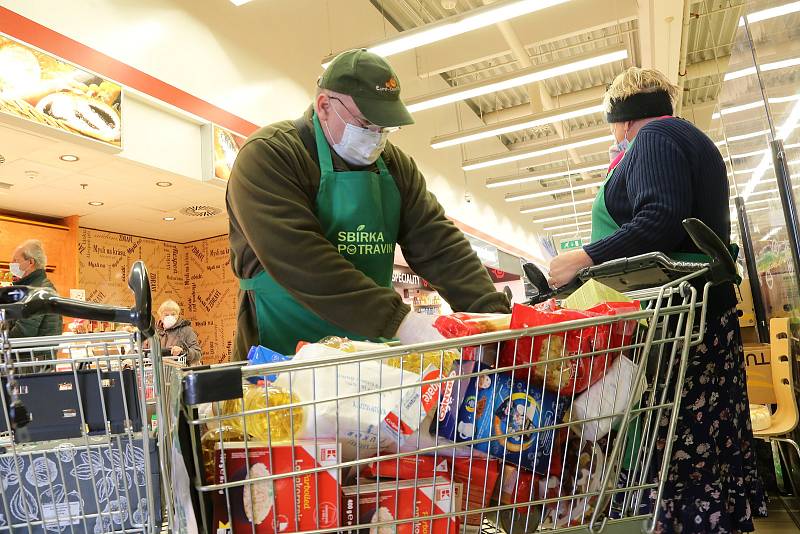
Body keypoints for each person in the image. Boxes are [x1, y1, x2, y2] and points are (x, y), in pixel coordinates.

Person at [549, 67, 766, 533]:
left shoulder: (654, 138)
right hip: (702, 315)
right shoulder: (686, 136)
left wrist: (581, 259)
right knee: (704, 442)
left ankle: (677, 522)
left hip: (679, 325)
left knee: (672, 440)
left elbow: (660, 217)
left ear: (622, 120)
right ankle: (708, 521)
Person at [226, 49, 509, 358]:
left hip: (367, 362)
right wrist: (400, 321)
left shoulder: (395, 166)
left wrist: (494, 318)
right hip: (279, 359)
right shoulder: (270, 155)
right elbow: (301, 260)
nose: (377, 138)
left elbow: (440, 246)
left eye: (385, 128)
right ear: (324, 106)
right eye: (366, 124)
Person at [8, 239, 62, 339]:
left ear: (30, 262)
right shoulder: (31, 288)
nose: (11, 264)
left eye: (15, 260)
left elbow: (23, 334)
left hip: (34, 354)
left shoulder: (38, 291)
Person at [156, 300, 202, 365]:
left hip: (180, 371)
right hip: (160, 372)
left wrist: (183, 351)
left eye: (173, 314)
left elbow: (197, 354)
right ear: (160, 316)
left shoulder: (186, 330)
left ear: (178, 315)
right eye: (166, 315)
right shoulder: (154, 333)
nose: (170, 317)